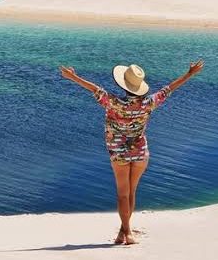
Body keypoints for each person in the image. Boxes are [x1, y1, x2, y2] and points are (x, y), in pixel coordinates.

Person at [59, 60, 204, 245]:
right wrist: (190, 73)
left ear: (124, 85)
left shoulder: (113, 102)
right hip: (140, 151)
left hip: (118, 153)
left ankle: (127, 233)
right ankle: (123, 232)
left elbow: (95, 89)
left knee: (123, 194)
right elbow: (169, 89)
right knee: (131, 192)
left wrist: (73, 77)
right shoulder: (149, 103)